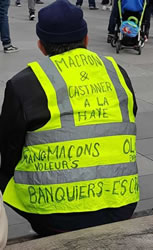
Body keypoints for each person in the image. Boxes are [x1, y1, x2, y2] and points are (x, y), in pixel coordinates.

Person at [0, 0, 139, 236]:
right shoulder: (117, 72)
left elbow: (9, 146)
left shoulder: (24, 82)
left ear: (41, 46)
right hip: (122, 203)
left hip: (51, 215)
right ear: (85, 40)